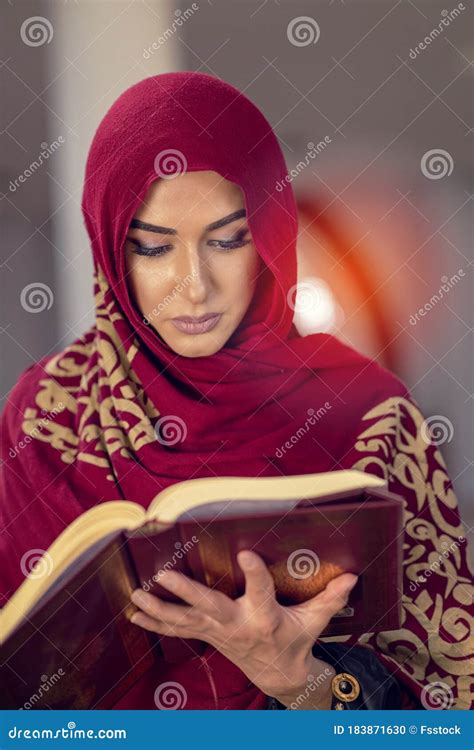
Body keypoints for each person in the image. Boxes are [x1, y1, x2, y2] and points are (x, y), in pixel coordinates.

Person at [1, 72, 472, 711]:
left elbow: (445, 711)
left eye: (226, 239)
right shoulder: (50, 413)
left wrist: (298, 681)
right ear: (112, 248)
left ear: (273, 232)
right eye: (152, 248)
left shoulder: (368, 415)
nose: (193, 287)